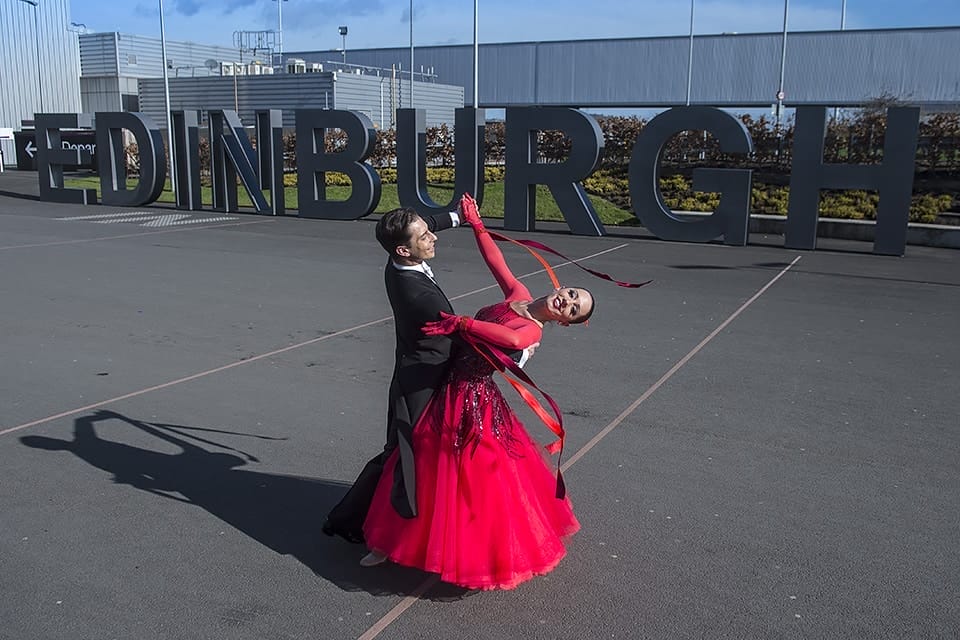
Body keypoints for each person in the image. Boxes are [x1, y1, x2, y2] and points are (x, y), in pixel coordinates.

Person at [360, 194, 594, 590]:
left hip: (471, 399)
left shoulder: (531, 331)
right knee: (421, 463)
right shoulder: (518, 296)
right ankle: (390, 540)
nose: (567, 303)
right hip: (444, 385)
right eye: (572, 295)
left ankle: (469, 551)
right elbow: (495, 261)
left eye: (573, 310)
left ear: (565, 322)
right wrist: (477, 224)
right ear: (563, 286)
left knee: (474, 480)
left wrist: (462, 323)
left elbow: (508, 338)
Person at [321, 206, 462, 544]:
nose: (433, 237)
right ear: (403, 249)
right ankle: (350, 520)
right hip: (420, 381)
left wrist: (460, 216)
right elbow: (464, 335)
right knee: (400, 453)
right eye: (424, 237)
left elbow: (429, 223)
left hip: (422, 367)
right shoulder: (419, 295)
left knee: (407, 453)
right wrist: (517, 350)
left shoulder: (398, 258)